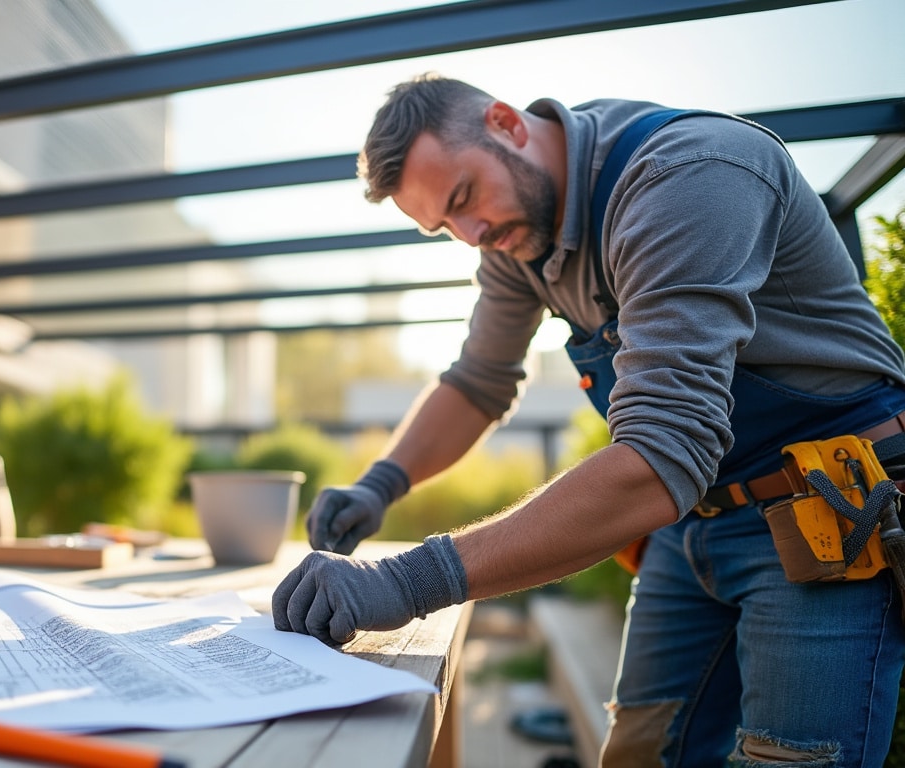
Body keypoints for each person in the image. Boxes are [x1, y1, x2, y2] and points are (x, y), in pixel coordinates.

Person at [270, 73, 905, 766]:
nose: (471, 234)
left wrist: (403, 582)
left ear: (507, 123)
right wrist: (380, 484)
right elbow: (478, 382)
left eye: (463, 198)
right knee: (637, 754)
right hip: (691, 524)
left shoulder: (688, 176)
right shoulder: (515, 238)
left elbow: (663, 452)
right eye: (444, 226)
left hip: (826, 513)